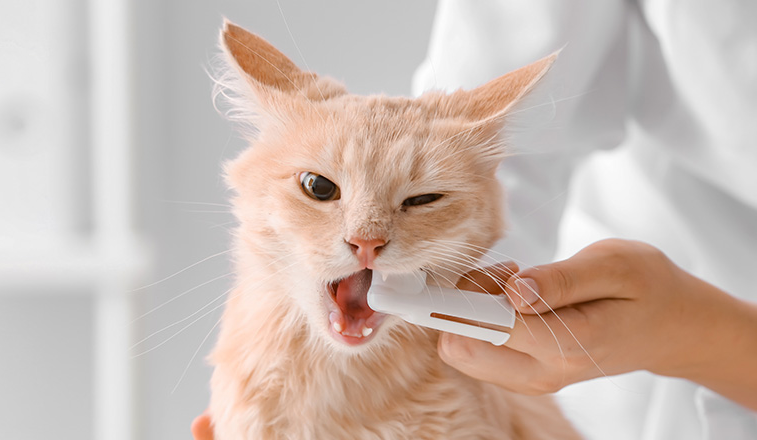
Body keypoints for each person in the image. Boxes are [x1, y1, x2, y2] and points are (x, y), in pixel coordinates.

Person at [195, 1, 757, 438]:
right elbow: (502, 152)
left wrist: (690, 332)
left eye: (418, 201)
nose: (365, 236)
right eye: (320, 189)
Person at [413, 0, 757, 438]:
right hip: (639, 271)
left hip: (650, 322)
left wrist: (688, 331)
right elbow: (491, 145)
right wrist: (445, 281)